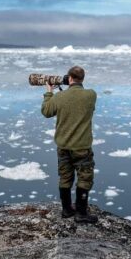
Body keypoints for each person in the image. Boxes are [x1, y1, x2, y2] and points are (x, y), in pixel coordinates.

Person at [41, 66, 98, 223]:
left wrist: (49, 92)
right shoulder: (91, 95)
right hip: (82, 148)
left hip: (64, 147)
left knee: (65, 177)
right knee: (84, 178)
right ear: (82, 79)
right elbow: (77, 101)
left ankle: (66, 210)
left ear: (69, 78)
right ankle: (81, 212)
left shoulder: (60, 98)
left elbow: (46, 111)